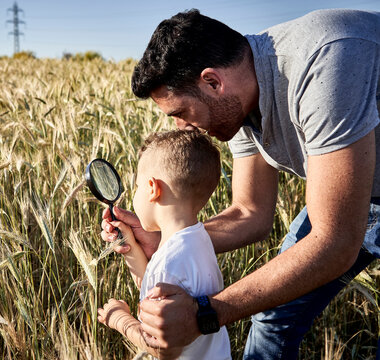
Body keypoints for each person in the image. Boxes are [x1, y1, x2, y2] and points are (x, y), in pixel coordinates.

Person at [100, 8, 380, 359]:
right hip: (349, 197)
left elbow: (336, 240)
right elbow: (251, 212)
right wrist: (165, 238)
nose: (183, 130)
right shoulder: (236, 101)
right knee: (272, 317)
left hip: (341, 215)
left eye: (181, 114)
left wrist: (206, 313)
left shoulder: (324, 60)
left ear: (213, 82)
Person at [97, 130, 232, 359]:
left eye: (138, 186)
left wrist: (120, 320)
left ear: (152, 188)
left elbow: (164, 348)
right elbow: (152, 283)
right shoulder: (198, 240)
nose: (136, 193)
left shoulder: (170, 261)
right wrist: (129, 241)